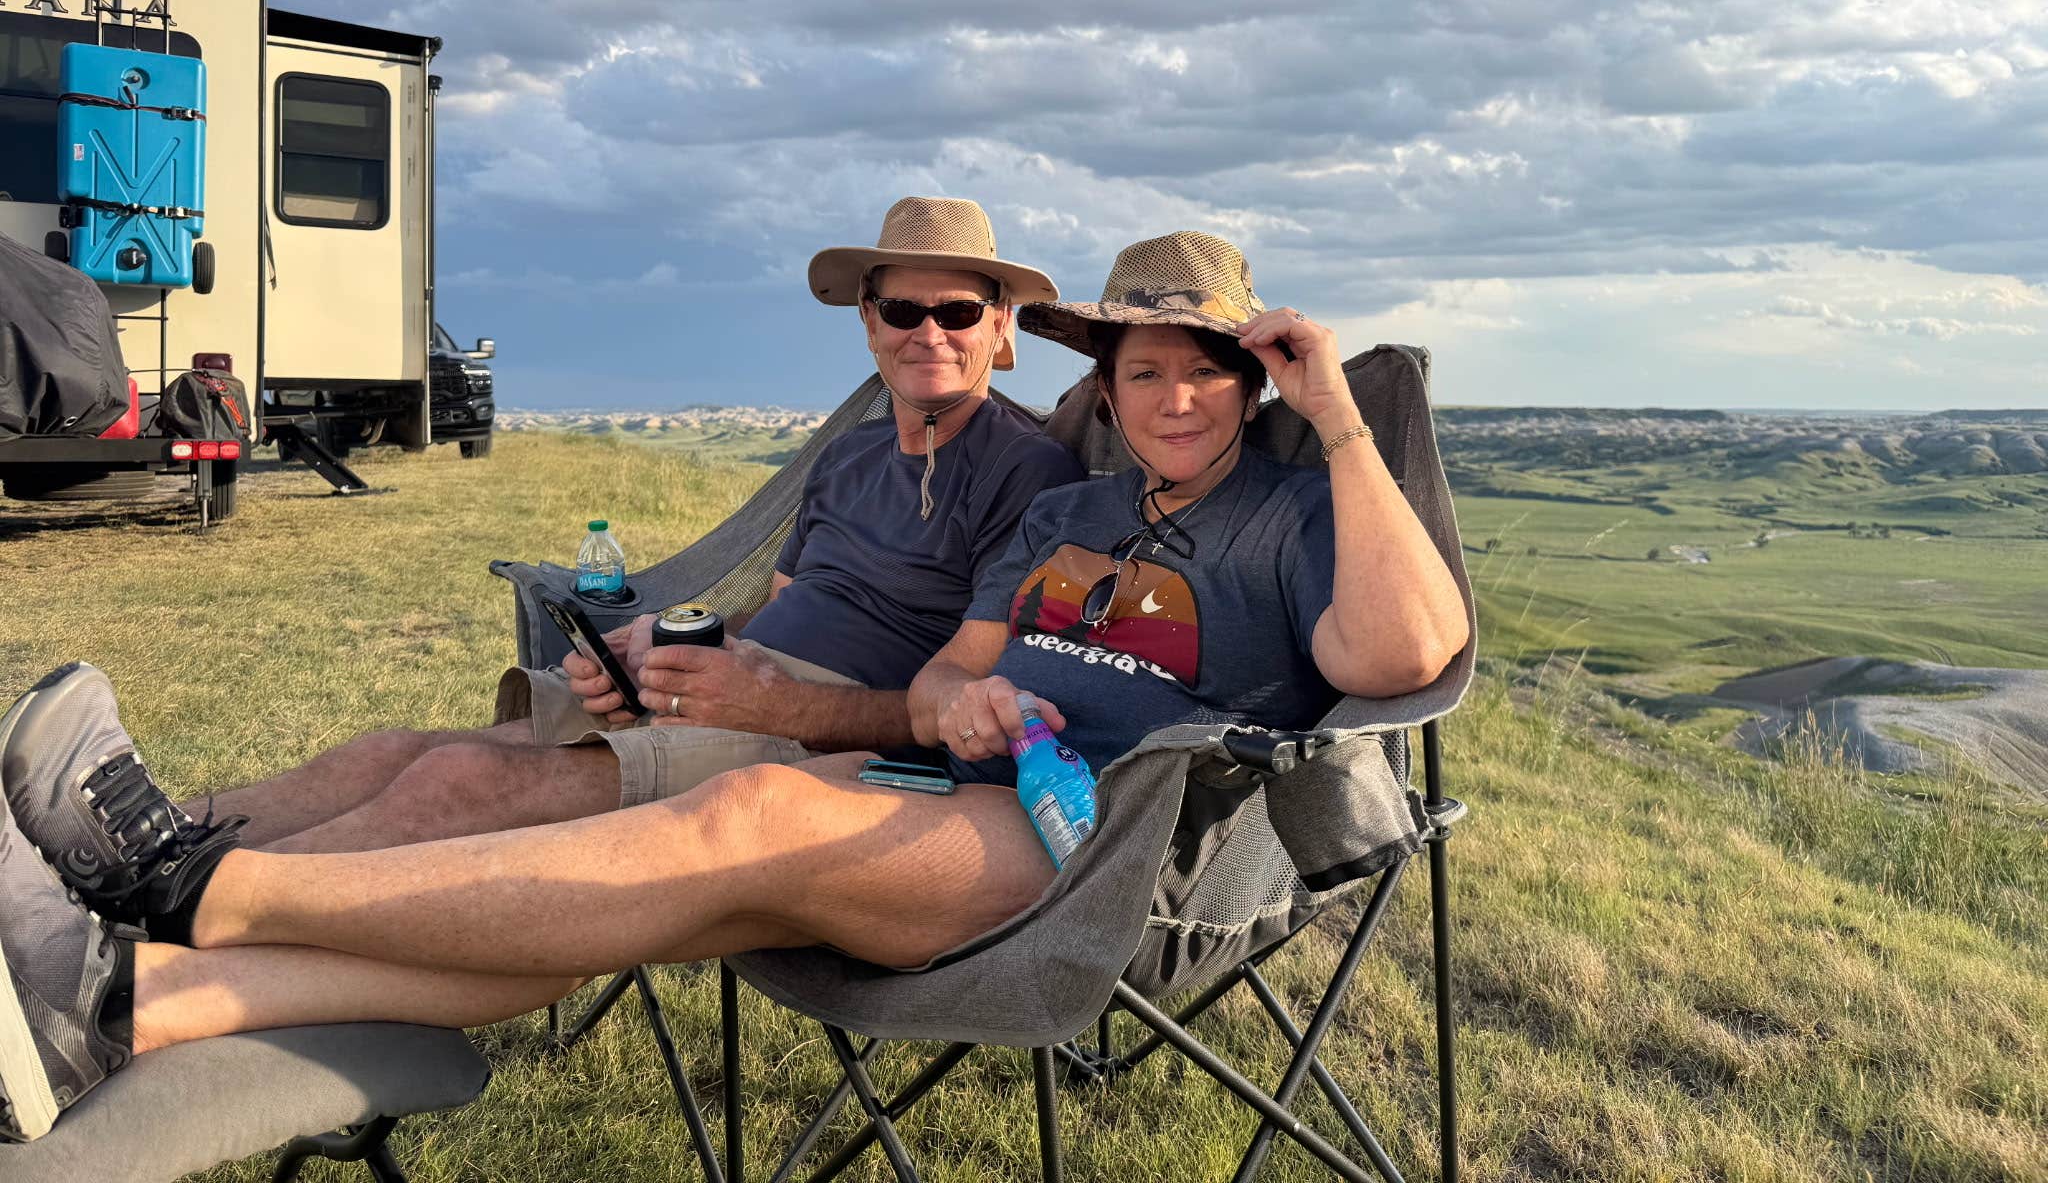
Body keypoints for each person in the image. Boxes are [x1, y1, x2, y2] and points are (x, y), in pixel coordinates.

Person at [0, 232, 1468, 1146]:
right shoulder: (1062, 518)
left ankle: (198, 889)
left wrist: (1337, 412)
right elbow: (938, 685)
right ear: (1114, 384)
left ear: (1258, 379)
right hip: (948, 781)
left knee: (737, 817)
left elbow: (1402, 664)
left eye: (1211, 371)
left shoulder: (1301, 519)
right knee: (616, 905)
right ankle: (131, 1005)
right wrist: (947, 708)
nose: (1177, 398)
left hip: (1102, 846)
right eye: (1147, 373)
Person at [167, 195, 1081, 854]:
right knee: (402, 753)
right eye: (903, 309)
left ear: (1000, 328)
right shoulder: (846, 458)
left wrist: (777, 703)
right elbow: (771, 619)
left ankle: (170, 921)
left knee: (460, 785)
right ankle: (149, 842)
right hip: (730, 693)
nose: (930, 333)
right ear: (870, 325)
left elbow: (960, 705)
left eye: (959, 311)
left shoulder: (1029, 472)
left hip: (824, 754)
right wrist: (664, 646)